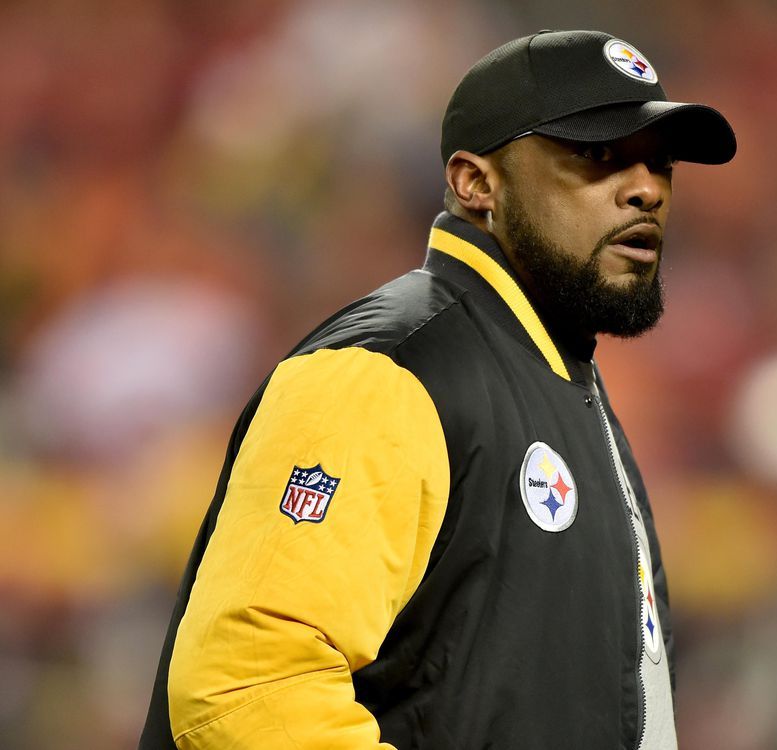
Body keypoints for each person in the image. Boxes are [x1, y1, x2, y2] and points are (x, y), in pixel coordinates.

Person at [139, 29, 735, 750]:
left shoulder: (558, 382)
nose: (646, 189)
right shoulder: (388, 372)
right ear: (475, 183)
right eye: (597, 155)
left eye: (660, 163)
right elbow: (247, 691)